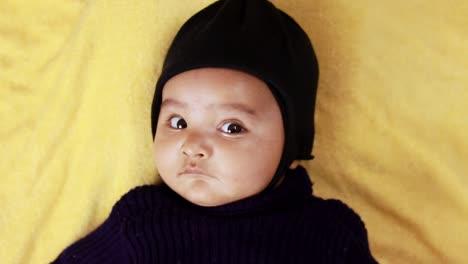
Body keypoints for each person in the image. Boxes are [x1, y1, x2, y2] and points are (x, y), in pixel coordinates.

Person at [52, 0, 377, 263]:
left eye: (231, 127)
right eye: (178, 122)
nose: (192, 145)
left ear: (292, 146)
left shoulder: (328, 234)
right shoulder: (140, 221)